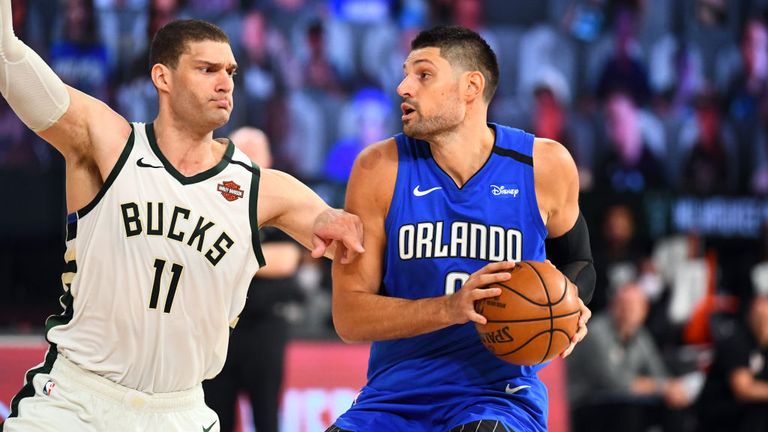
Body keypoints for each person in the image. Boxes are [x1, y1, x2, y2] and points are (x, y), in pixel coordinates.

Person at [0, 4, 364, 431]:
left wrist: (349, 228)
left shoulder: (261, 187)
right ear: (163, 77)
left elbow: (344, 230)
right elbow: (9, 58)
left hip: (181, 411)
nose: (225, 82)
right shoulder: (110, 143)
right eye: (207, 69)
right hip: (78, 401)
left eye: (230, 71)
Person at [326, 26, 595, 432]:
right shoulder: (378, 168)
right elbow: (348, 316)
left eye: (423, 74)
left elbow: (579, 261)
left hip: (498, 396)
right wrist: (451, 308)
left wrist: (569, 304)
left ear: (471, 86)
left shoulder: (544, 166)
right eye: (405, 74)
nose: (403, 87)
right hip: (394, 399)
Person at [203, 127, 303, 432]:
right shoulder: (210, 200)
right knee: (214, 418)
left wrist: (227, 253)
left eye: (254, 151)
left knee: (266, 418)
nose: (248, 158)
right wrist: (257, 257)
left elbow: (286, 259)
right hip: (219, 330)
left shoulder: (283, 202)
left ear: (269, 158)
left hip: (265, 329)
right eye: (241, 151)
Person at [566, 281, 690, 432]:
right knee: (628, 409)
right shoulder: (596, 333)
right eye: (622, 304)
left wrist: (670, 388)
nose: (626, 310)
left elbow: (658, 372)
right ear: (612, 306)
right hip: (583, 404)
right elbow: (613, 383)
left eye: (632, 306)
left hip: (618, 404)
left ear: (644, 311)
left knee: (673, 403)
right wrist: (662, 387)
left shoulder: (641, 336)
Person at [697, 295, 768, 432]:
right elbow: (743, 389)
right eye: (762, 318)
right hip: (722, 417)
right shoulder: (737, 340)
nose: (765, 324)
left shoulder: (763, 347)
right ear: (751, 316)